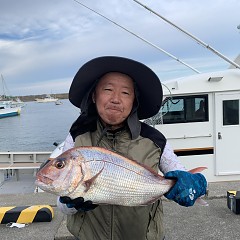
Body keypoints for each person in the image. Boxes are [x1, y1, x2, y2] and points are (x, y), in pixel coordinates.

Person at [56, 56, 207, 240]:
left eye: (126, 93)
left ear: (134, 101)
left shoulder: (154, 140)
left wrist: (195, 185)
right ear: (94, 95)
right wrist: (70, 205)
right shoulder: (77, 136)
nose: (116, 99)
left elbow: (178, 172)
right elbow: (60, 203)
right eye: (108, 89)